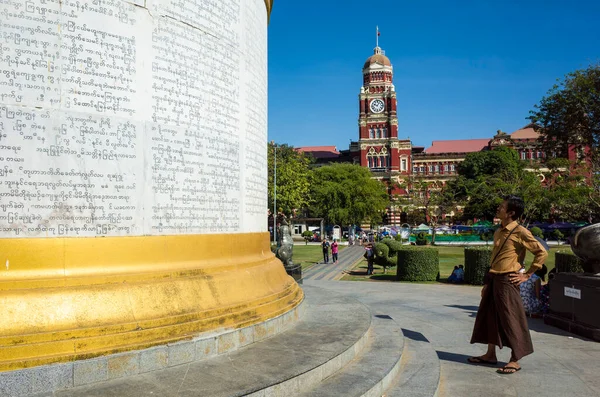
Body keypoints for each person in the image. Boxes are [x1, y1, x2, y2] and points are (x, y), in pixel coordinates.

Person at [468, 195, 548, 375]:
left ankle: (515, 359)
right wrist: (487, 282)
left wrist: (527, 274)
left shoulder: (521, 232)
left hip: (508, 280)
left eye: (502, 207)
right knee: (489, 316)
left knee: (511, 317)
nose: (498, 208)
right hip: (494, 277)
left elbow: (541, 253)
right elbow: (495, 259)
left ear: (511, 212)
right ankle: (490, 354)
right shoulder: (499, 231)